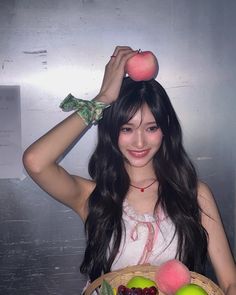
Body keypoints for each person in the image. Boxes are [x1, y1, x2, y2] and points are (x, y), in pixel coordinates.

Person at [23, 46, 236, 294]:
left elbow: (231, 282)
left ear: (166, 130)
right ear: (112, 131)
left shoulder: (194, 194)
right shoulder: (93, 196)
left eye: (151, 128)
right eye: (127, 128)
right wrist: (103, 99)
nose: (139, 142)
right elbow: (35, 161)